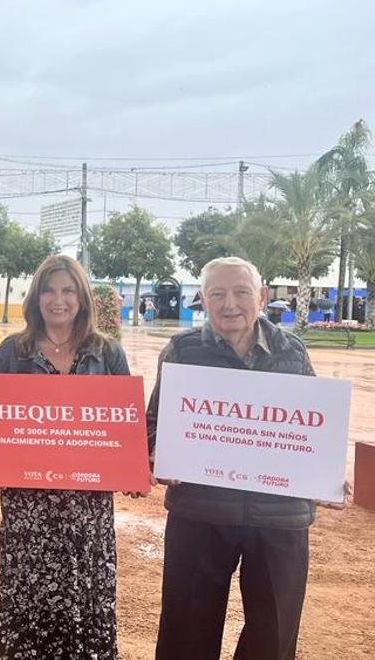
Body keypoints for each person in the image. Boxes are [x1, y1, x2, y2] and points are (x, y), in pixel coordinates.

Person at [148, 256, 347, 660]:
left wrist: (324, 472)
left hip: (280, 517)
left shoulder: (291, 351)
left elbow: (310, 427)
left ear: (262, 295)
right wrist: (157, 452)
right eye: (217, 294)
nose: (230, 304)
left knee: (272, 637)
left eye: (241, 292)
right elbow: (155, 421)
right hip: (200, 512)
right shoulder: (182, 351)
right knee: (186, 632)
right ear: (202, 300)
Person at [0, 254, 140, 659]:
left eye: (68, 290)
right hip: (28, 510)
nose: (58, 299)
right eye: (49, 289)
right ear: (36, 297)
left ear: (82, 297)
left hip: (87, 511)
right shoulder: (13, 351)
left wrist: (133, 469)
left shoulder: (108, 354)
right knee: (28, 606)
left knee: (86, 602)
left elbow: (124, 428)